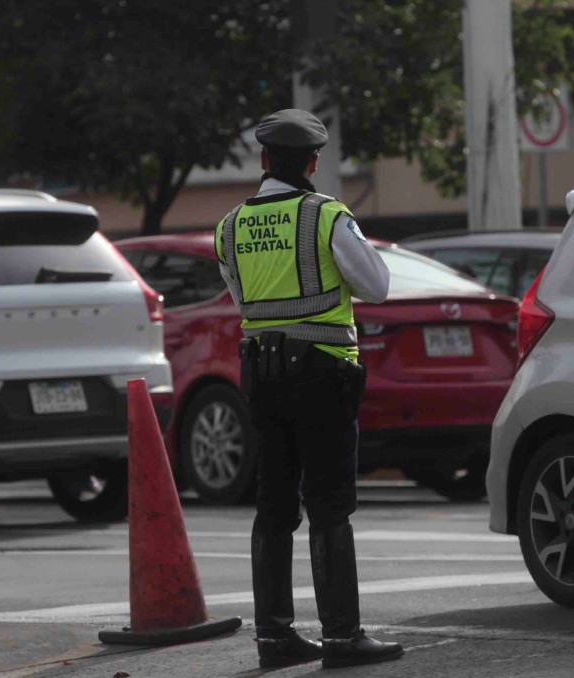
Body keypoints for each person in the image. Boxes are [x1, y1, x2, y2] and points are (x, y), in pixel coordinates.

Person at [214, 109, 404, 670]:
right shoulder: (326, 216)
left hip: (262, 376)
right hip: (323, 374)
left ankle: (274, 638)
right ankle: (342, 637)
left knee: (273, 504)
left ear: (264, 159)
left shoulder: (229, 227)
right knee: (329, 505)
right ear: (314, 163)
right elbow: (377, 286)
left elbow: (243, 300)